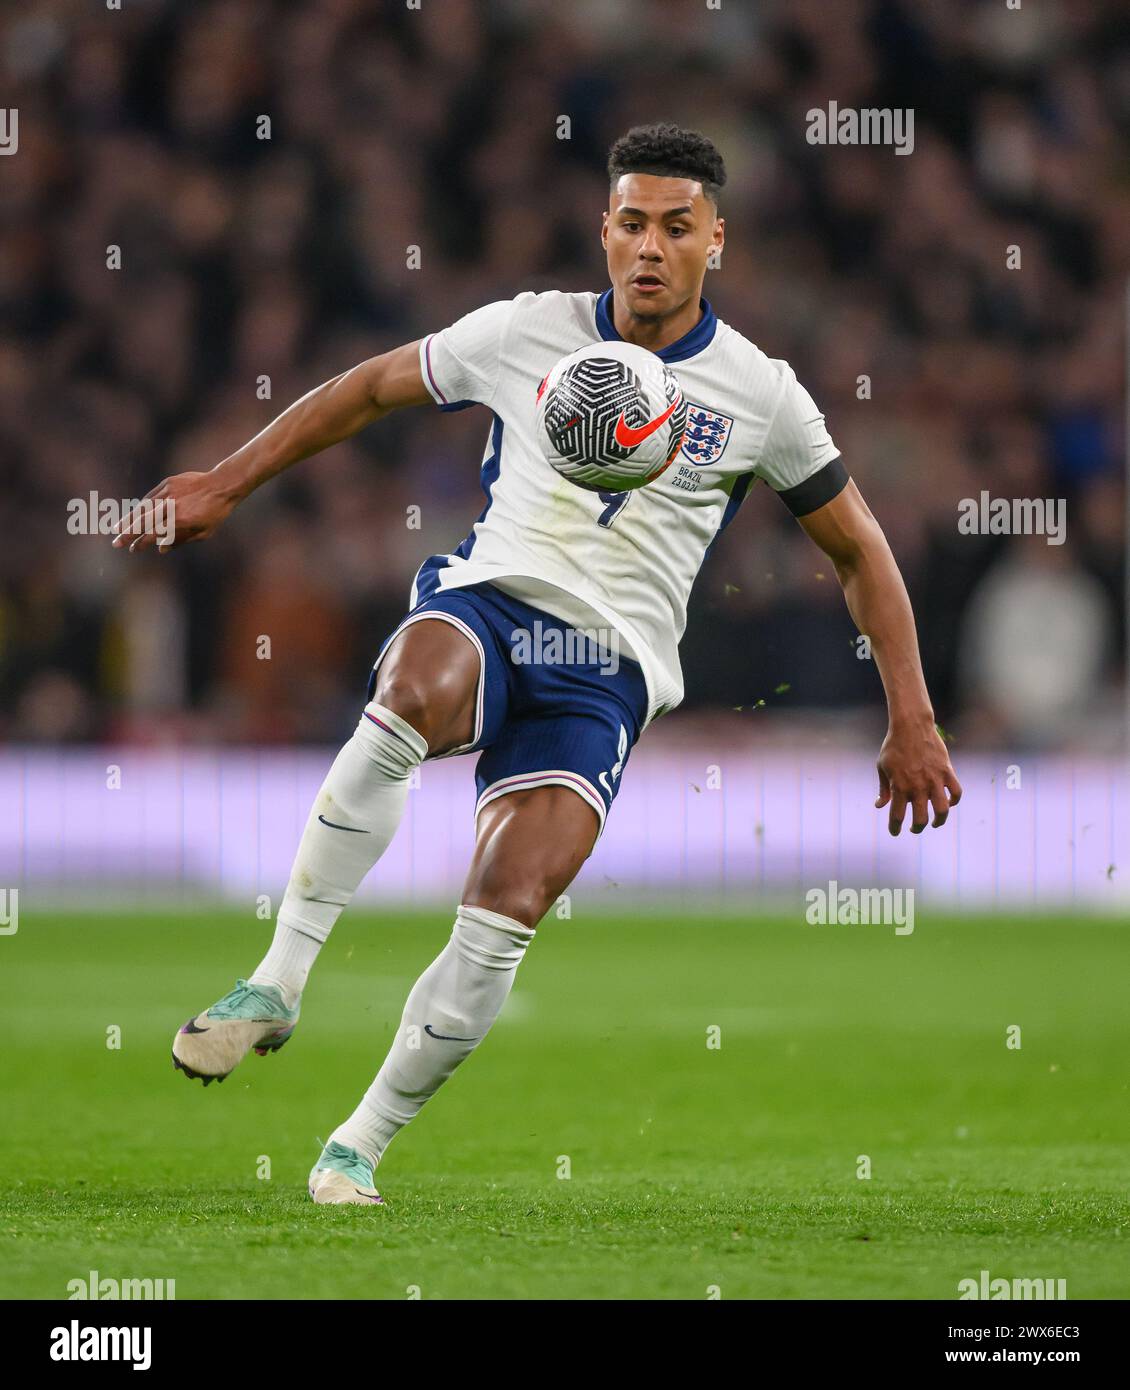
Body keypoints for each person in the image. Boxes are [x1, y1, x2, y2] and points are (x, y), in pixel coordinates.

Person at [114, 123, 961, 1205]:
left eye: (674, 228)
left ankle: (354, 1147)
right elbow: (372, 388)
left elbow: (857, 548)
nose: (647, 248)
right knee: (410, 688)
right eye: (629, 224)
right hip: (490, 602)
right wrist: (227, 483)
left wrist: (911, 714)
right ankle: (276, 979)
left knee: (508, 897)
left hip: (607, 674)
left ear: (717, 243)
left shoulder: (761, 394)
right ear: (603, 231)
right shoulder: (526, 332)